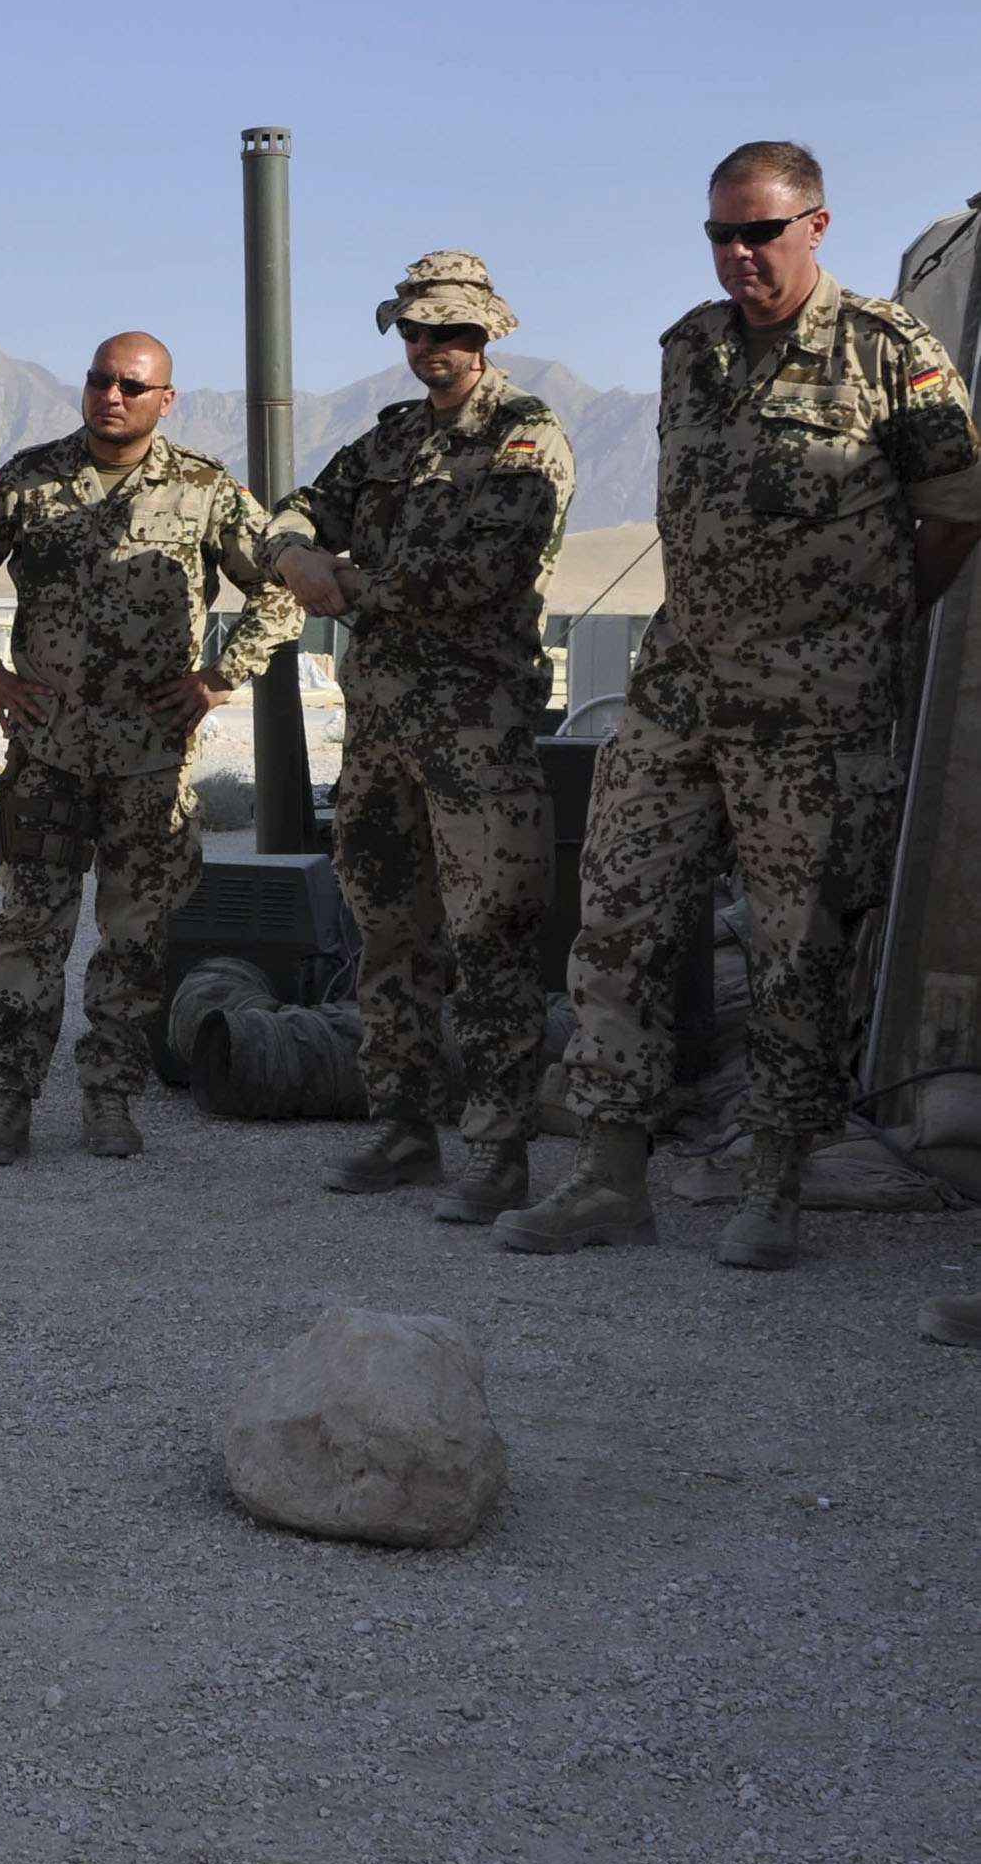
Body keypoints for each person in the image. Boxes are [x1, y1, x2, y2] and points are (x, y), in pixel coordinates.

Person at [499, 143, 981, 1266]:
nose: (739, 256)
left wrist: (872, 622)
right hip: (679, 694)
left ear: (816, 225)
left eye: (760, 233)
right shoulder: (692, 349)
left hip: (815, 713)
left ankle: (775, 1181)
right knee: (616, 916)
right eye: (721, 234)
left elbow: (956, 508)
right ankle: (612, 1174)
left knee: (797, 947)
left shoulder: (887, 350)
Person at [0, 331, 305, 1162]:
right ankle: (4, 1103)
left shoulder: (203, 490)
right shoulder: (29, 481)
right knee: (28, 933)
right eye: (100, 380)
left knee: (134, 940)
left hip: (150, 763)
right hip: (46, 754)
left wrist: (220, 676)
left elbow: (280, 590)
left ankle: (110, 1098)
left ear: (166, 399)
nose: (112, 396)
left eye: (133, 385)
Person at [263, 253, 576, 1222]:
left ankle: (498, 1151)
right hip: (383, 730)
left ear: (487, 333)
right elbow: (296, 509)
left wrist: (338, 584)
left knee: (492, 938)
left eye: (447, 332)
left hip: (475, 731)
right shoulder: (394, 437)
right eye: (413, 332)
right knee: (390, 933)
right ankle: (403, 1127)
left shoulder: (527, 440)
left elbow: (478, 569)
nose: (428, 349)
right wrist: (293, 553)